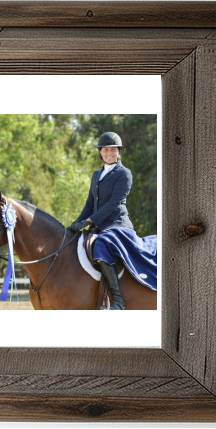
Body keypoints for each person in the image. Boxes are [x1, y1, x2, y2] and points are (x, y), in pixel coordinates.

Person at [67, 131, 136, 310]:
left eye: (113, 150)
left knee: (101, 245)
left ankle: (118, 301)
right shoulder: (97, 174)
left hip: (117, 225)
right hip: (99, 225)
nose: (109, 153)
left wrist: (89, 221)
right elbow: (90, 202)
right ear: (100, 152)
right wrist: (77, 222)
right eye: (106, 150)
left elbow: (113, 204)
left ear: (119, 152)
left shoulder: (124, 174)